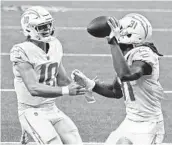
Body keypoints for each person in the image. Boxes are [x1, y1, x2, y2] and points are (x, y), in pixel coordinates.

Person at [72, 13, 165, 145]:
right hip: (130, 121)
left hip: (148, 124)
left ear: (130, 34)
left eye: (120, 29)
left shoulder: (145, 54)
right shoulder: (126, 56)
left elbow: (126, 75)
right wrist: (91, 84)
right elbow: (116, 91)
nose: (116, 31)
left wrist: (113, 42)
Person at [10, 6, 85, 145]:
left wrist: (82, 84)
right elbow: (33, 88)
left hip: (51, 107)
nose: (47, 29)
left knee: (75, 140)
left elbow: (62, 80)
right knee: (53, 142)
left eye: (49, 24)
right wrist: (67, 90)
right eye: (42, 26)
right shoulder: (21, 50)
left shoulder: (55, 44)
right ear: (29, 29)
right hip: (30, 110)